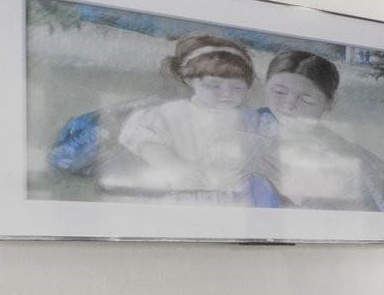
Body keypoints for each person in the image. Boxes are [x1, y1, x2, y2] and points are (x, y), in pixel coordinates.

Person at [104, 34, 276, 204]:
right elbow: (141, 137)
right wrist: (174, 167)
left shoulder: (254, 119)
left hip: (237, 198)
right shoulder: (172, 113)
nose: (227, 93)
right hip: (185, 194)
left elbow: (274, 150)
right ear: (190, 79)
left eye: (237, 87)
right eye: (214, 85)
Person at [257, 50, 384, 212]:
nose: (289, 105)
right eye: (279, 92)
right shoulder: (248, 131)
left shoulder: (356, 161)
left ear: (331, 102)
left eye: (307, 99)